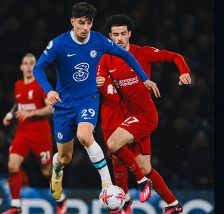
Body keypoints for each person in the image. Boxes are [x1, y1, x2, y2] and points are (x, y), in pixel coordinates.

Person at [33, 2, 159, 209]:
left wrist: (144, 78)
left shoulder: (99, 41)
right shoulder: (58, 44)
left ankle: (106, 184)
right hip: (64, 106)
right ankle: (57, 171)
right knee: (65, 157)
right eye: (81, 23)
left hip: (88, 99)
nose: (85, 27)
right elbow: (39, 68)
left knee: (85, 135)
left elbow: (126, 55)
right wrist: (49, 91)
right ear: (72, 21)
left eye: (89, 23)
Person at [97, 14, 191, 214]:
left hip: (145, 115)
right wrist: (98, 85)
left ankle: (138, 185)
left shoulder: (143, 53)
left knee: (113, 146)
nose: (120, 38)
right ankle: (174, 205)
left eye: (123, 33)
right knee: (145, 167)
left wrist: (184, 71)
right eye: (115, 35)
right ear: (110, 37)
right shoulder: (106, 59)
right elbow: (102, 85)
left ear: (130, 33)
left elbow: (175, 56)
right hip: (127, 119)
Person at [1, 54, 67, 214]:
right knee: (12, 165)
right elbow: (19, 102)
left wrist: (31, 113)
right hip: (22, 133)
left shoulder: (41, 85)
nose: (29, 66)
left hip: (40, 134)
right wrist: (10, 114)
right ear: (21, 67)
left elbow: (51, 108)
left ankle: (61, 199)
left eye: (32, 63)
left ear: (36, 67)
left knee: (46, 171)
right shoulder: (18, 84)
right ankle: (15, 205)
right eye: (26, 63)